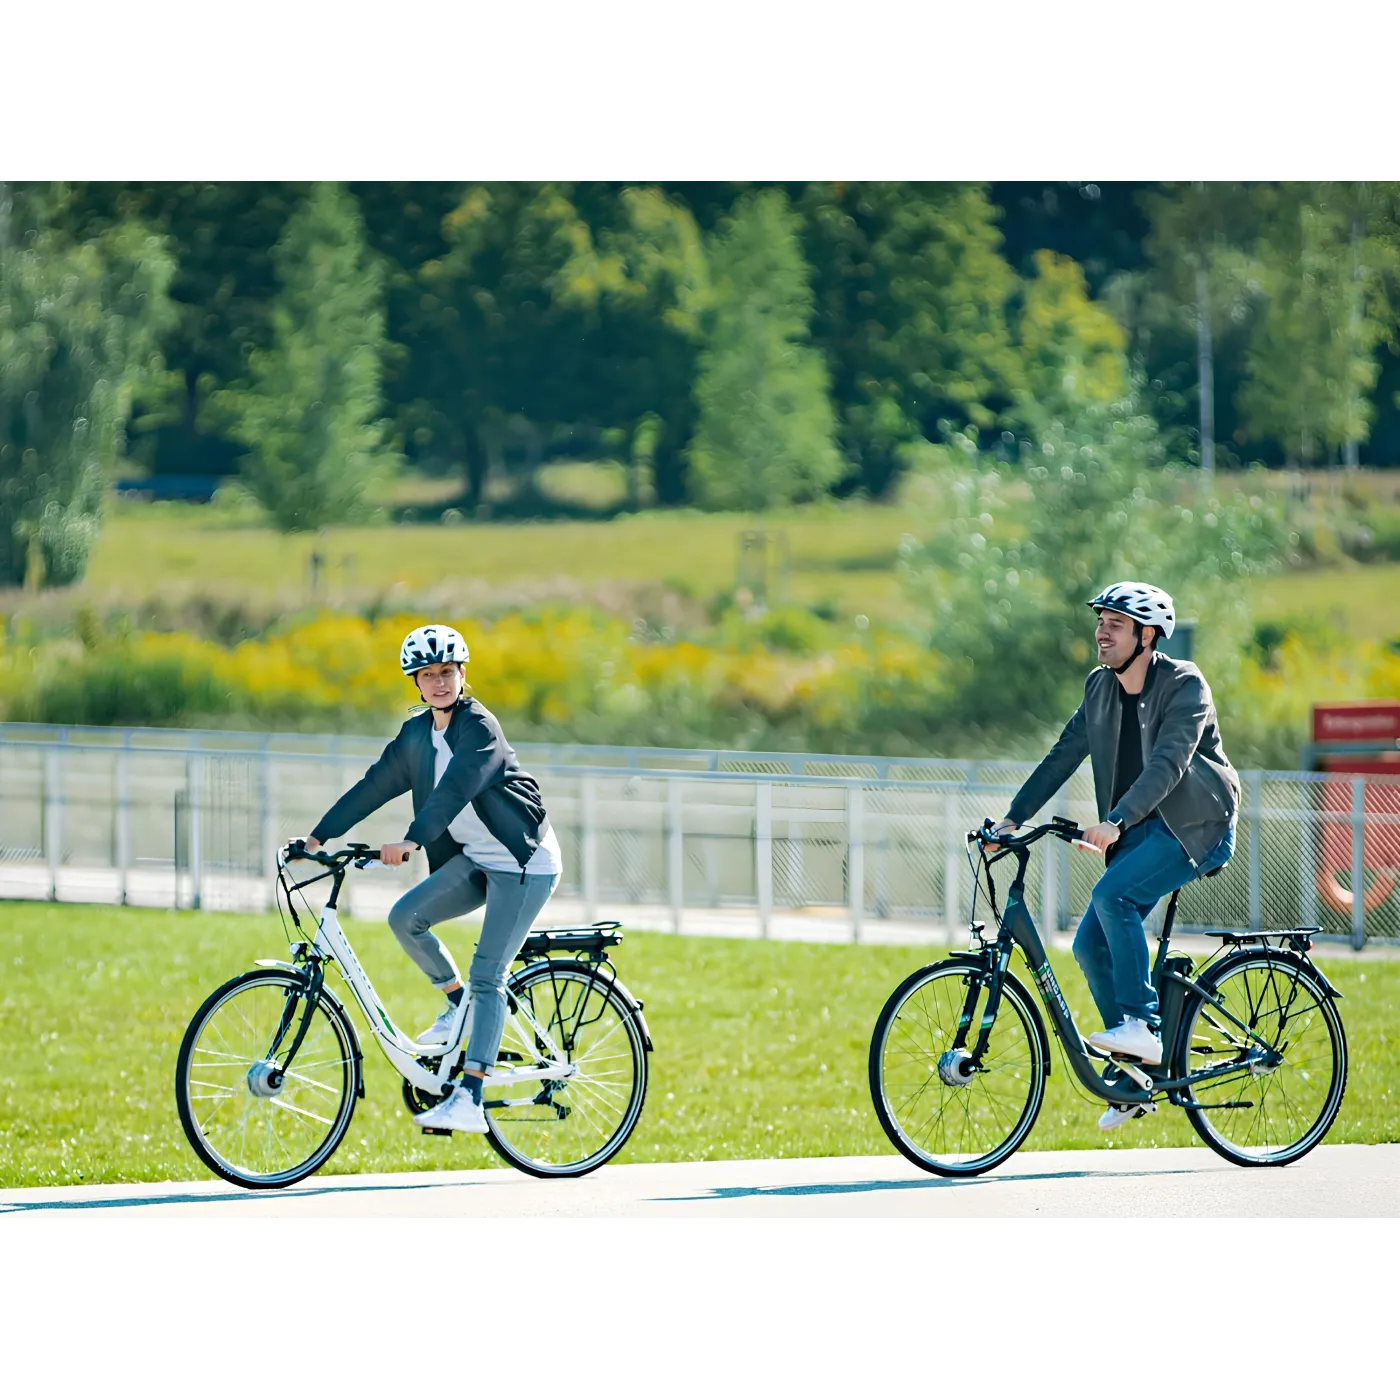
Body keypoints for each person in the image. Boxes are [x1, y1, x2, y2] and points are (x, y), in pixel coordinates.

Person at [991, 582, 1239, 1130]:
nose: (1102, 632)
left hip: (1195, 826)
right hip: (1141, 830)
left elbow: (1169, 764)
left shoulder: (1185, 685)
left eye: (1115, 624)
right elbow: (1063, 755)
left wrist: (1116, 821)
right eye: (1100, 621)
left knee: (1114, 897)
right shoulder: (1099, 687)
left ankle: (1142, 1026)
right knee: (1088, 943)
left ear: (1147, 636)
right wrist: (1013, 817)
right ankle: (1135, 1071)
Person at [302, 623, 562, 1135]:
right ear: (416, 683)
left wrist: (413, 839)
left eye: (447, 671)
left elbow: (457, 788)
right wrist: (317, 837)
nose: (439, 682)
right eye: (427, 675)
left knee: (488, 975)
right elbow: (374, 785)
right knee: (406, 917)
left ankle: (471, 1096)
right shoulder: (417, 735)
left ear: (462, 674)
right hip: (478, 859)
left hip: (522, 862)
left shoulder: (479, 727)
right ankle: (457, 1005)